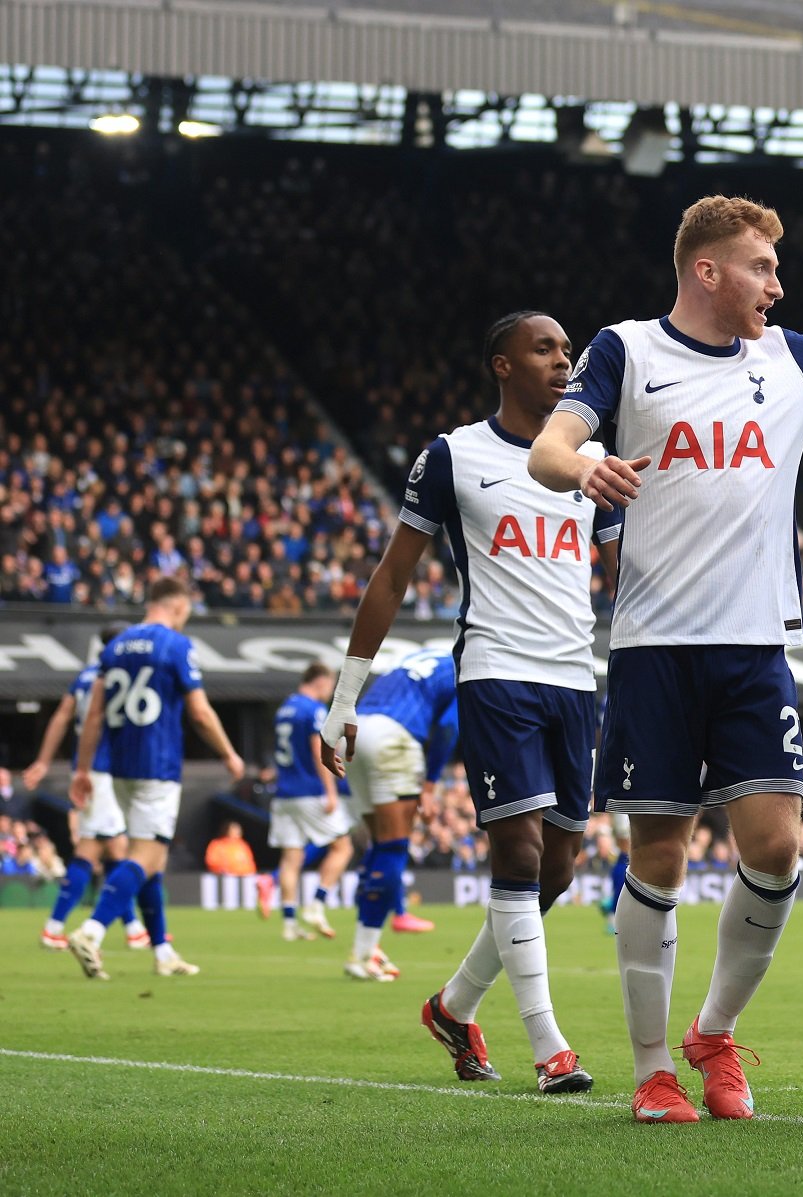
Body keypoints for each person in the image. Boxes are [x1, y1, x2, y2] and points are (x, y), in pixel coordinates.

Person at [529, 195, 803, 1124]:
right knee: (658, 853)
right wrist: (584, 468)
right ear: (707, 271)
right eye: (762, 266)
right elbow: (547, 447)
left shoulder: (792, 358)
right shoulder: (626, 349)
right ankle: (654, 1070)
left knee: (774, 850)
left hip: (755, 644)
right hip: (655, 648)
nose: (777, 284)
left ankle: (714, 1030)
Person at [322, 311, 633, 1093]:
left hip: (575, 679)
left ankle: (455, 1006)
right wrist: (345, 694)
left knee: (557, 870)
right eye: (544, 349)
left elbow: (630, 573)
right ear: (501, 364)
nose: (563, 361)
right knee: (519, 855)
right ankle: (550, 1046)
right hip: (496, 672)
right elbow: (391, 575)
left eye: (568, 350)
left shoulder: (591, 462)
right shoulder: (452, 455)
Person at [66, 579, 246, 979]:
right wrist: (229, 753)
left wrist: (81, 769)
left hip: (119, 766)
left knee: (152, 858)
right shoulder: (176, 645)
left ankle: (162, 951)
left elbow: (93, 715)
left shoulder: (114, 647)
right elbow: (199, 713)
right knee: (145, 855)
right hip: (158, 764)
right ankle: (92, 932)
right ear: (178, 605)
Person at [24, 623, 152, 952]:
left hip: (84, 768)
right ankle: (56, 927)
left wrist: (43, 760)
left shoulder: (84, 676)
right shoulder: (115, 676)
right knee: (100, 849)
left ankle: (134, 927)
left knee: (112, 850)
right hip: (104, 769)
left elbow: (62, 717)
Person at [339, 648, 458, 977]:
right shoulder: (469, 662)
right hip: (394, 737)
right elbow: (449, 727)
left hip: (356, 732)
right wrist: (431, 784)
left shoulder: (422, 657)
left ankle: (367, 947)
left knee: (378, 846)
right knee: (393, 847)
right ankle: (362, 954)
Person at [269, 662, 355, 943]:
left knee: (291, 859)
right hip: (309, 792)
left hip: (284, 794)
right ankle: (316, 905)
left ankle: (289, 925)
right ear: (320, 682)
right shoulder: (313, 709)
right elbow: (319, 749)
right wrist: (330, 791)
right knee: (343, 848)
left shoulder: (285, 708)